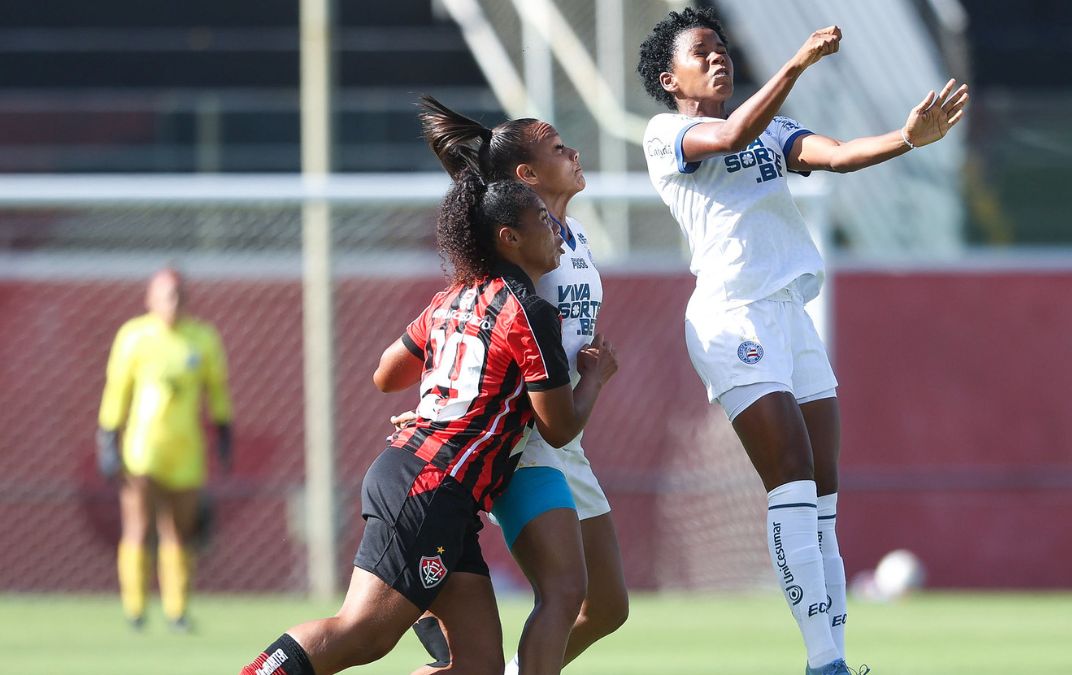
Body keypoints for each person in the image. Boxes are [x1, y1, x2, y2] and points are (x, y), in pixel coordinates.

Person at [636, 7, 967, 675]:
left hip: (792, 317)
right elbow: (731, 135)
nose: (719, 55)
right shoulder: (666, 131)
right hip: (732, 319)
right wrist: (797, 62)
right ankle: (822, 663)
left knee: (822, 496)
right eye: (703, 50)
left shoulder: (771, 128)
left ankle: (835, 659)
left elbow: (838, 155)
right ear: (672, 77)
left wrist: (906, 138)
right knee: (788, 477)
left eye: (722, 45)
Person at [239, 174, 617, 675]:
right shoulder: (530, 312)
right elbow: (559, 429)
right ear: (511, 237)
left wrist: (447, 393)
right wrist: (593, 378)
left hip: (434, 482)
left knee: (477, 665)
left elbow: (385, 374)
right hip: (431, 486)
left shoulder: (454, 297)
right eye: (543, 222)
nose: (555, 232)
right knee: (363, 633)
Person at [403, 96, 629, 675]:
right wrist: (439, 408)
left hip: (565, 438)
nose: (574, 153)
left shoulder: (569, 233)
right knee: (563, 596)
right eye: (558, 148)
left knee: (607, 607)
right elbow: (467, 328)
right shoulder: (513, 249)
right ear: (526, 175)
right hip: (526, 439)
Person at [96, 268, 232, 632]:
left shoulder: (202, 338)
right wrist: (108, 436)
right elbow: (117, 390)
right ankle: (135, 611)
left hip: (185, 451)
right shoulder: (134, 336)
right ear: (150, 298)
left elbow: (217, 390)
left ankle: (177, 611)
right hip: (143, 449)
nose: (173, 302)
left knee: (178, 531)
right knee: (138, 527)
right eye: (165, 294)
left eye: (178, 294)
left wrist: (223, 431)